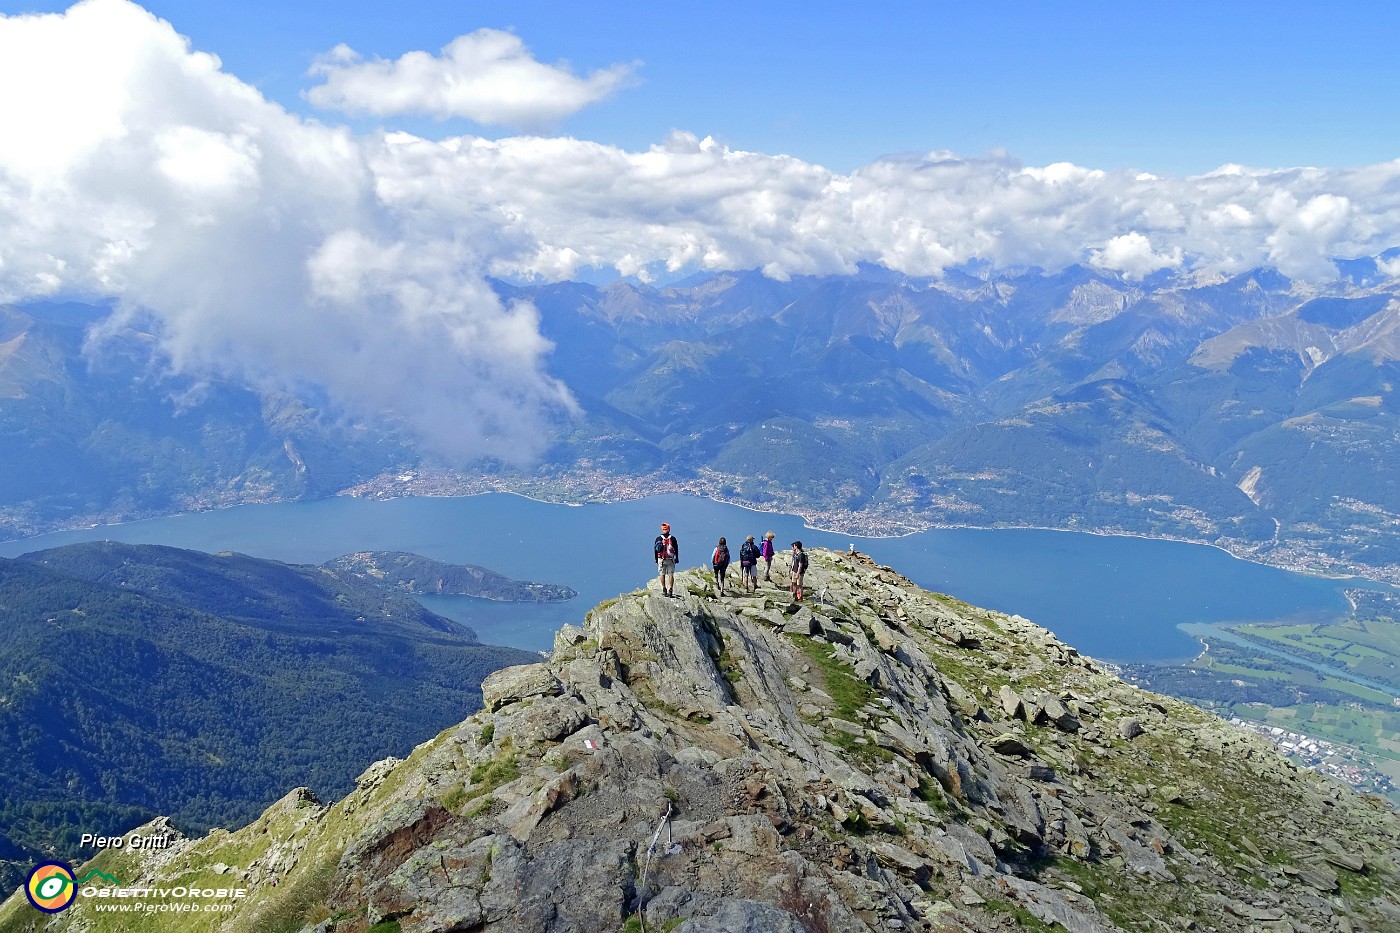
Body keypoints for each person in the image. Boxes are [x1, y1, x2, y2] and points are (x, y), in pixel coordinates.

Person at [654, 522, 679, 597]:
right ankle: (670, 590)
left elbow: (655, 550)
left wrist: (656, 559)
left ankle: (664, 589)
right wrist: (677, 558)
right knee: (671, 575)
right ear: (669, 529)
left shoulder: (658, 538)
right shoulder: (673, 538)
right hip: (670, 559)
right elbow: (676, 549)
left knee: (662, 574)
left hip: (661, 559)